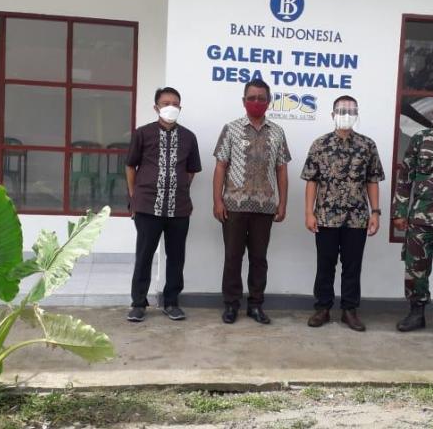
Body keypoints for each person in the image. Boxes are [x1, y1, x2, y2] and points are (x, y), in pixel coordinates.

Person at [301, 96, 385, 332]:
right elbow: (311, 180)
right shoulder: (320, 144)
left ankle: (350, 310)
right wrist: (309, 212)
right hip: (326, 217)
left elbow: (372, 180)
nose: (346, 115)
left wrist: (375, 212)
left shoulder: (367, 145)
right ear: (332, 115)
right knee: (325, 265)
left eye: (351, 111)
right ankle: (323, 308)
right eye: (341, 111)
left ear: (357, 115)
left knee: (352, 266)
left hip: (357, 218)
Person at [212, 78, 290, 325]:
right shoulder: (231, 129)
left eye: (261, 98)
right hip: (233, 206)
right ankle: (231, 305)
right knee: (232, 257)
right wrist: (217, 201)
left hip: (264, 208)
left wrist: (282, 203)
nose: (256, 102)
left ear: (269, 101)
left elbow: (281, 170)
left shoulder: (277, 132)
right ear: (244, 101)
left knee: (259, 259)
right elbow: (220, 166)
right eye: (252, 98)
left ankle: (255, 305)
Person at [126, 87, 202, 322]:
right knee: (144, 256)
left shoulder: (189, 137)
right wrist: (134, 196)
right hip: (147, 206)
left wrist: (178, 188)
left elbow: (191, 170)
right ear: (156, 107)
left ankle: (171, 302)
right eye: (166, 103)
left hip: (179, 208)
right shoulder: (142, 134)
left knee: (176, 257)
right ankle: (138, 303)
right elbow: (130, 166)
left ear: (180, 108)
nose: (171, 107)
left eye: (175, 103)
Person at [393, 94, 433, 340]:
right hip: (421, 218)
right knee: (415, 268)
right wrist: (400, 211)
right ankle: (416, 313)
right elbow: (405, 178)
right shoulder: (420, 139)